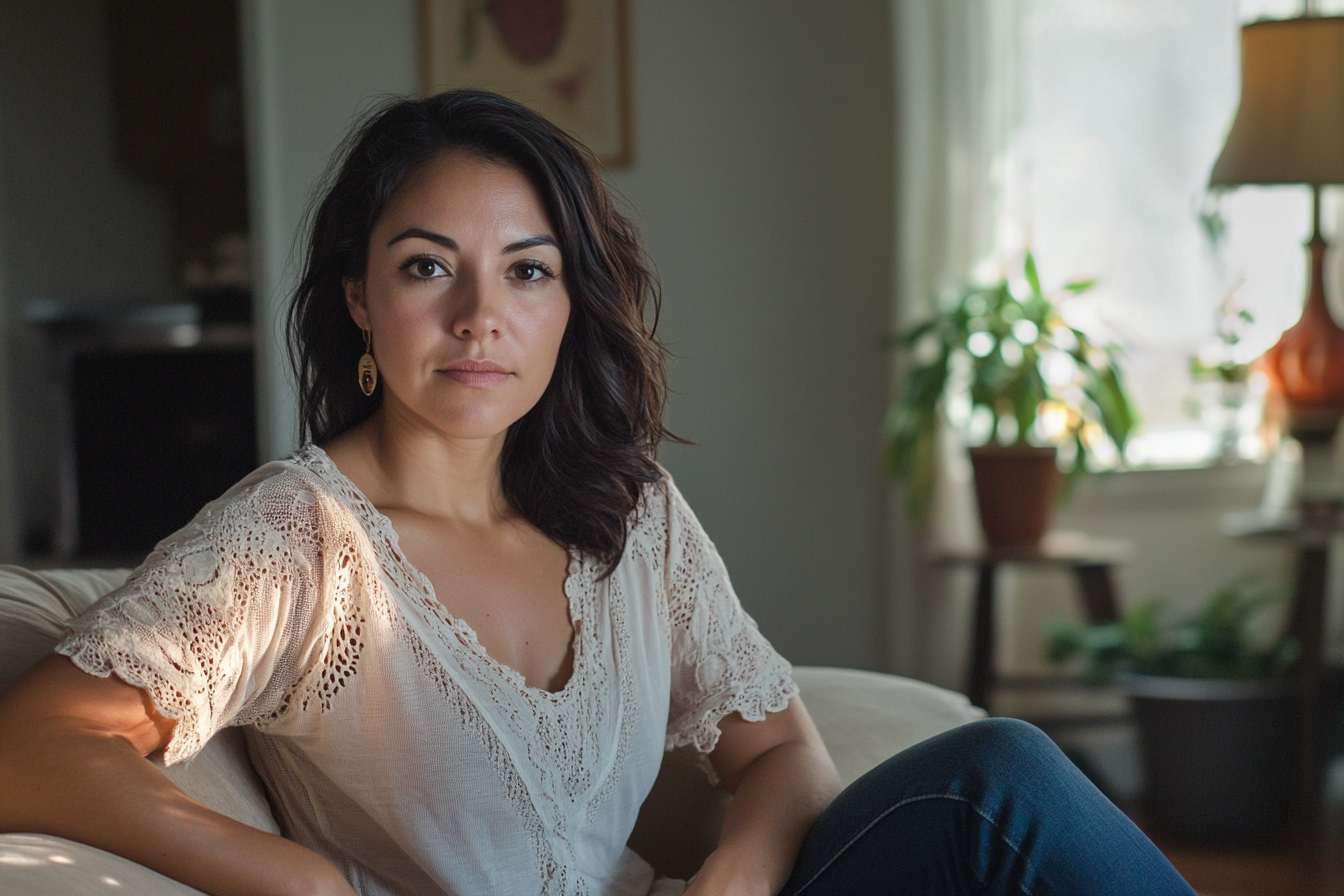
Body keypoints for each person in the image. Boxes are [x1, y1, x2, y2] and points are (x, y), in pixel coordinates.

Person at [0, 89, 1194, 896]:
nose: (480, 316)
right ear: (360, 295)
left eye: (527, 270)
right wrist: (299, 880)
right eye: (428, 266)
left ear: (569, 306)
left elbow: (780, 749)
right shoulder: (300, 537)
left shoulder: (627, 511)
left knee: (999, 778)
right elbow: (37, 743)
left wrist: (740, 869)